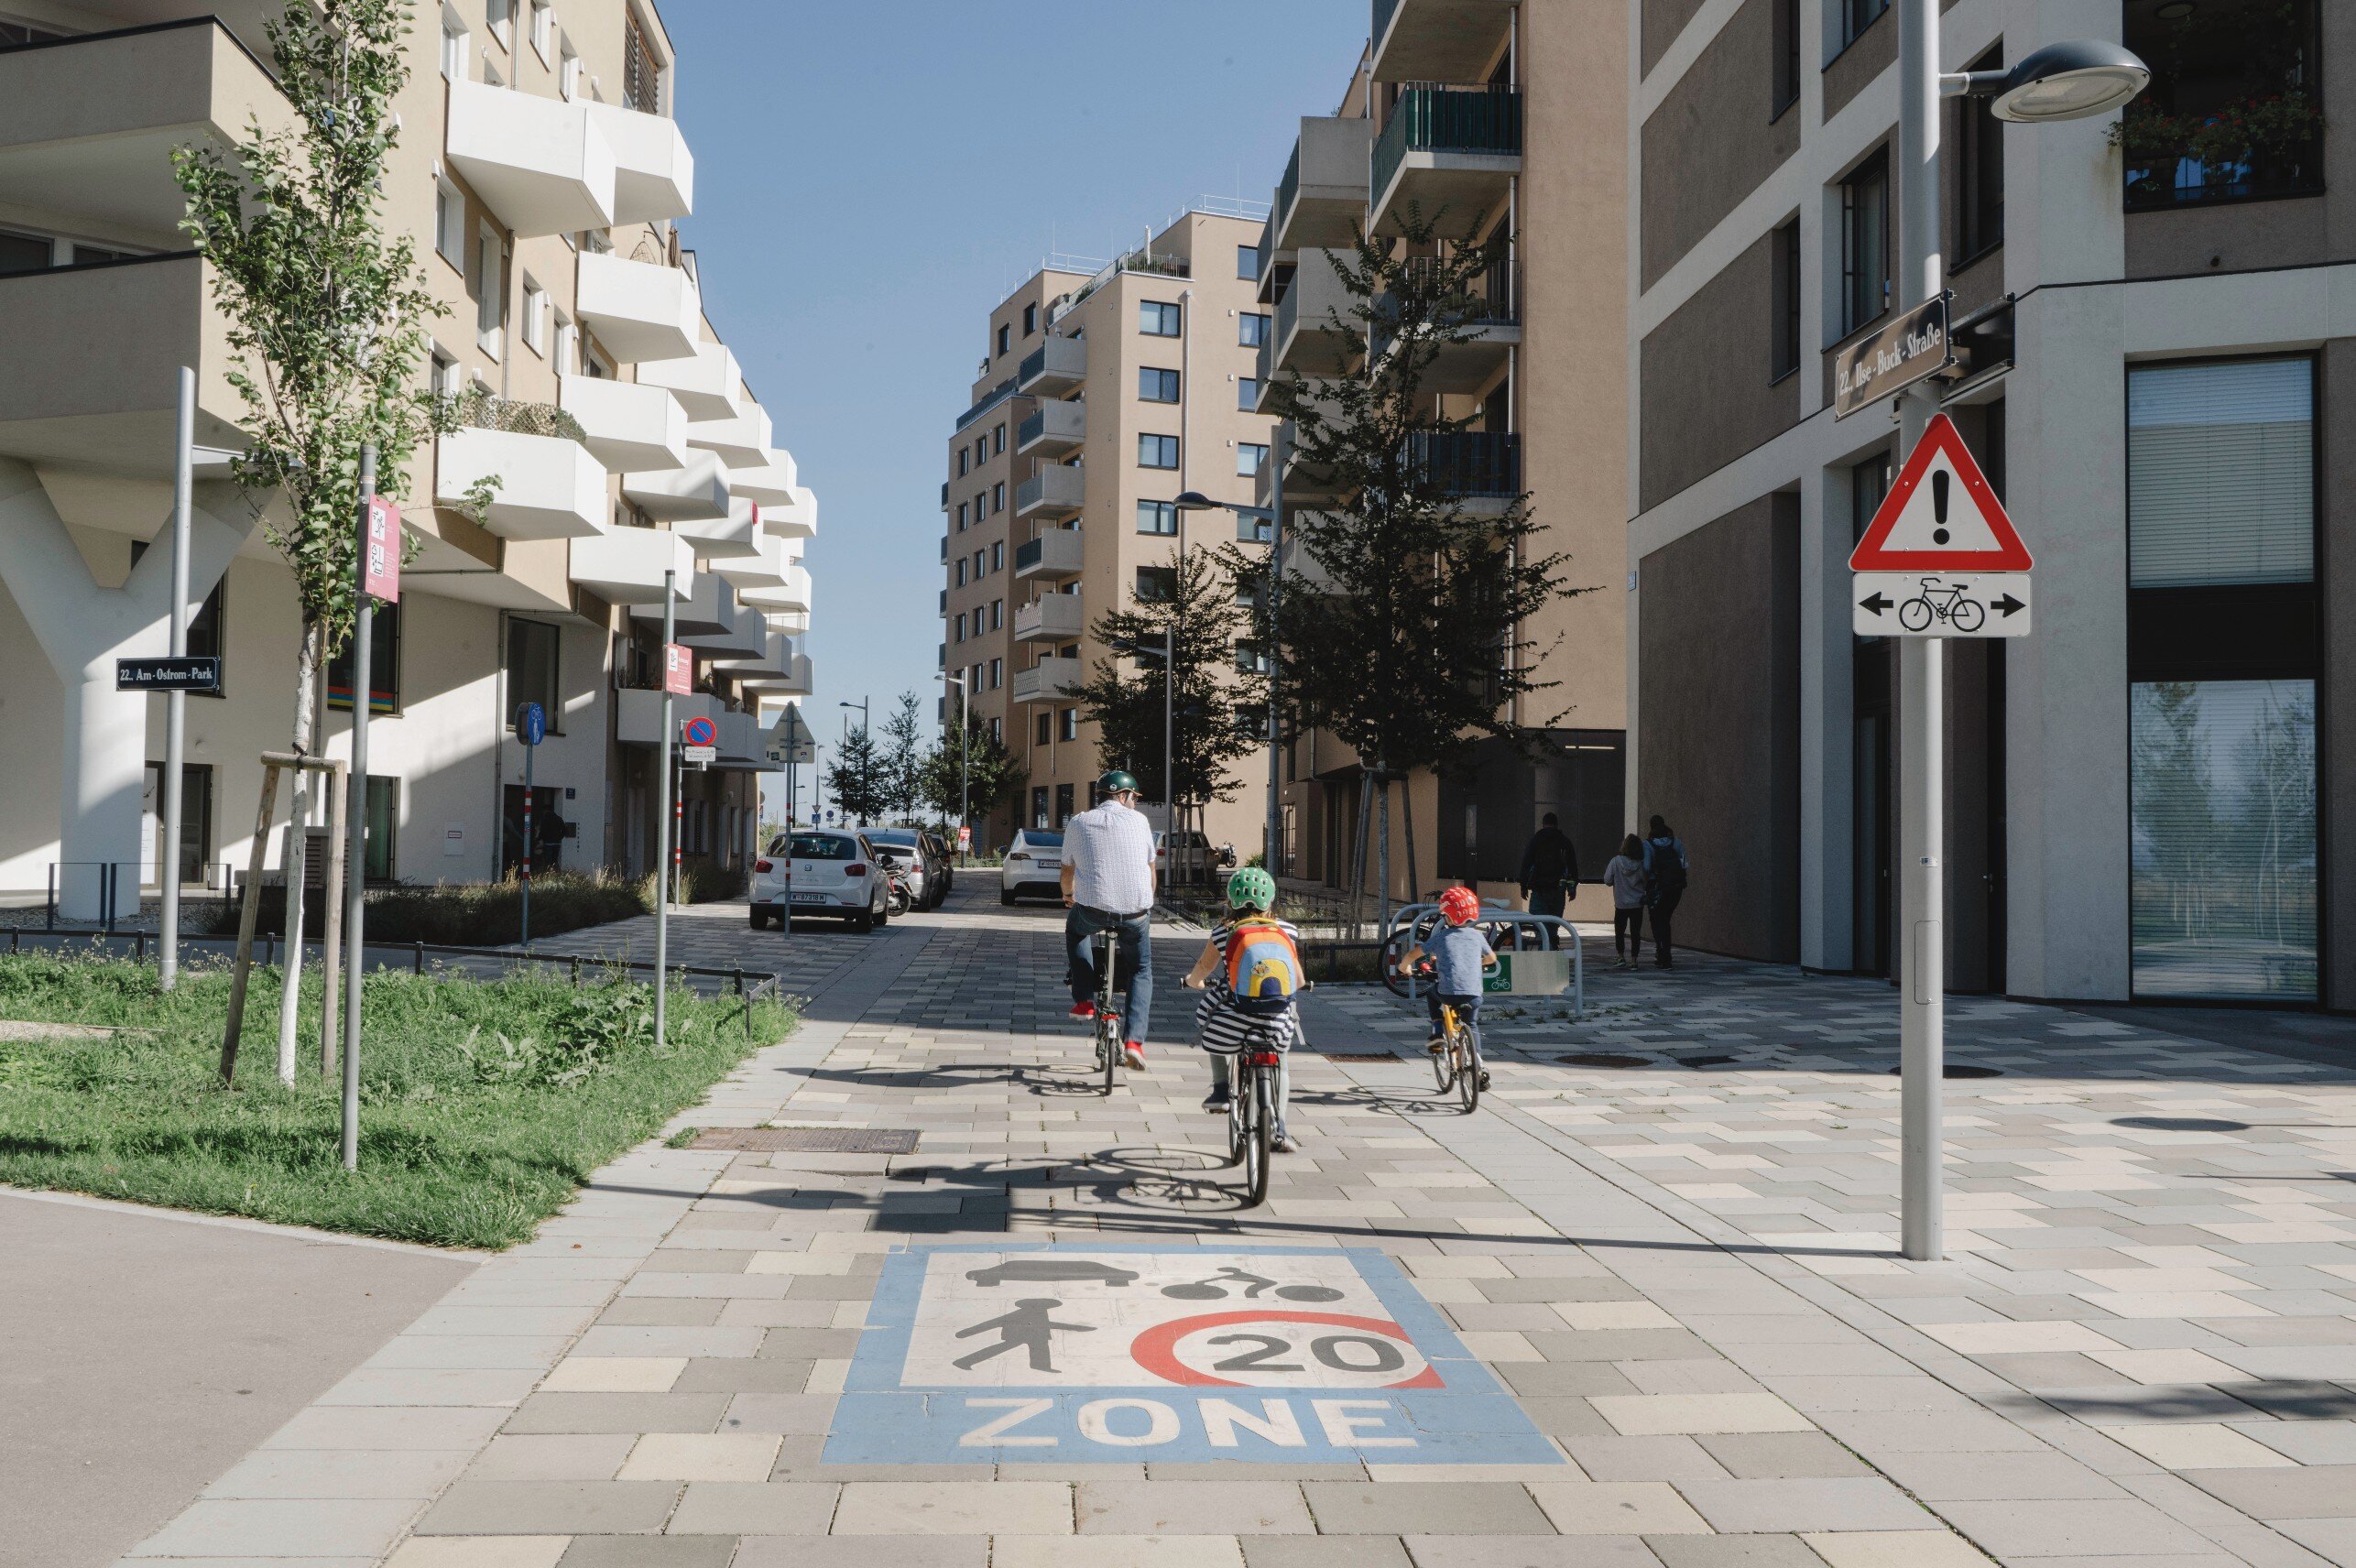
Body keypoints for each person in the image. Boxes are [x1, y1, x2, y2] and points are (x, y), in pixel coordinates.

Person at [1182, 866, 1303, 1154]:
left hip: (1237, 1010)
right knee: (1281, 1062)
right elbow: (1297, 979)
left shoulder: (1223, 931)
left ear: (1230, 900)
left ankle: (1222, 1089)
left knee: (1211, 1023)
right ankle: (1280, 1126)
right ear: (1270, 901)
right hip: (1276, 1014)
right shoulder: (1287, 930)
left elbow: (1203, 968)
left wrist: (1193, 981)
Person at [1062, 769, 1158, 1070]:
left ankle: (1084, 1001)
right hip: (1135, 913)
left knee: (1076, 931)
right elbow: (1150, 870)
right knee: (1141, 969)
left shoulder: (1078, 822)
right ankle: (1134, 1042)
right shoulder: (1141, 822)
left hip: (1092, 909)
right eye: (1134, 798)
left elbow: (1067, 871)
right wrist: (1144, 906)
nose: (1135, 804)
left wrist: (1068, 896)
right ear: (1124, 795)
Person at [1400, 886, 1498, 1062]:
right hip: (1474, 994)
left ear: (1450, 916)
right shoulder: (1478, 936)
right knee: (1472, 1024)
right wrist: (1478, 963)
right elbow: (1491, 958)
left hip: (1448, 993)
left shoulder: (1442, 936)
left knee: (1432, 994)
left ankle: (1437, 1030)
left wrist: (1404, 966)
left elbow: (1414, 954)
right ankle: (1478, 1063)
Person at [1641, 815, 1688, 969]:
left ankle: (1663, 954)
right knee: (1666, 920)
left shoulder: (1648, 845)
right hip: (1676, 887)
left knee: (1656, 920)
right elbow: (1685, 863)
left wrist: (1646, 882)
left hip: (1657, 886)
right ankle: (1665, 953)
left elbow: (1646, 867)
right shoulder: (1676, 842)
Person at [1517, 811, 1580, 920]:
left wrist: (1523, 886)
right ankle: (1552, 937)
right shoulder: (1565, 842)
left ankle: (1541, 937)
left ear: (1543, 824)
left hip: (1539, 889)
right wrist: (1573, 888)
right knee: (1553, 924)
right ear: (1556, 825)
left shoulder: (1535, 841)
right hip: (1558, 889)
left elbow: (1526, 864)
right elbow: (1573, 867)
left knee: (1539, 925)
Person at [1602, 833, 1649, 971]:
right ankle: (1634, 960)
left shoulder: (1616, 861)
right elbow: (1645, 882)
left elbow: (1607, 880)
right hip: (1637, 903)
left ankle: (1620, 956)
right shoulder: (1640, 864)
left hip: (1621, 903)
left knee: (1619, 931)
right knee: (1635, 933)